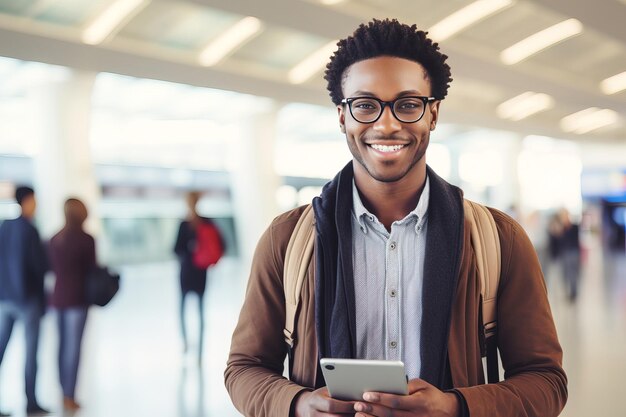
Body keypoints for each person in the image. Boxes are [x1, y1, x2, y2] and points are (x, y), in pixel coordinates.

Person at [224, 19, 567, 417]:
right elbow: (244, 368)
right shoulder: (289, 239)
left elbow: (545, 381)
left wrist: (455, 408)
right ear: (342, 117)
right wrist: (297, 404)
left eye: (407, 104)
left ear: (433, 114)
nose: (386, 124)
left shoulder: (498, 240)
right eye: (365, 105)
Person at [0, 186, 50, 416]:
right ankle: (31, 402)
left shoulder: (5, 226)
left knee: (1, 350)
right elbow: (39, 266)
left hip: (5, 298)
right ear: (28, 201)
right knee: (31, 354)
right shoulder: (30, 230)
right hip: (27, 300)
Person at [48, 198, 96, 410]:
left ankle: (63, 391)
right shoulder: (86, 240)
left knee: (61, 346)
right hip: (77, 299)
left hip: (57, 298)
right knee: (73, 348)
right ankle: (69, 393)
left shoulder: (54, 239)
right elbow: (92, 271)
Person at [174, 191, 223, 365]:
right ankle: (199, 351)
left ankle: (187, 343)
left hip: (186, 272)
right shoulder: (207, 222)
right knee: (201, 312)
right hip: (201, 272)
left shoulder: (184, 224)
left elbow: (176, 249)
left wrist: (189, 251)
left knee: (182, 310)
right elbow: (221, 244)